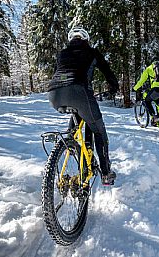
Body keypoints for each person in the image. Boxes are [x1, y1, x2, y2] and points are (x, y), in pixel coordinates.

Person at [48, 27, 119, 185]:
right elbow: (107, 71)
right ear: (86, 39)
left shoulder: (62, 54)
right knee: (99, 131)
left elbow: (57, 72)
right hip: (79, 92)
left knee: (73, 131)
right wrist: (113, 87)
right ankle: (106, 173)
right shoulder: (92, 52)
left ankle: (71, 148)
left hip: (54, 94)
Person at [133, 56, 159, 126]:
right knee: (157, 102)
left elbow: (141, 81)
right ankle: (158, 121)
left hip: (157, 89)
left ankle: (154, 117)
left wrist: (135, 88)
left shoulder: (149, 68)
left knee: (147, 101)